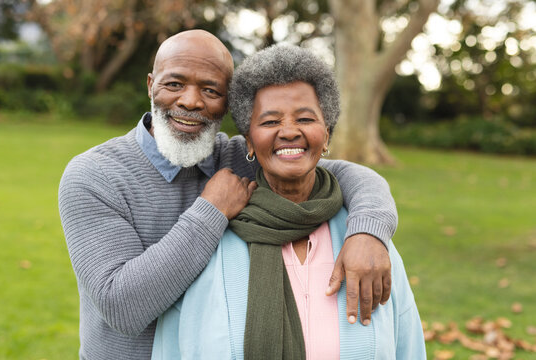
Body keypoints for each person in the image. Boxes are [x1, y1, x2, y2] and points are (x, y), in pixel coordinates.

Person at [58, 30, 398, 360]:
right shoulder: (95, 175)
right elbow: (122, 308)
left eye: (211, 89)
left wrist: (368, 231)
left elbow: (341, 173)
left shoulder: (241, 157)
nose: (190, 101)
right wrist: (211, 210)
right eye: (174, 84)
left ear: (229, 102)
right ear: (151, 85)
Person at [151, 44, 425, 359]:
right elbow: (169, 350)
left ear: (327, 134)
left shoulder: (367, 242)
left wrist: (369, 233)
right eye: (270, 122)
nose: (289, 132)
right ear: (249, 142)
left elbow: (409, 348)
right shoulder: (211, 245)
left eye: (305, 119)